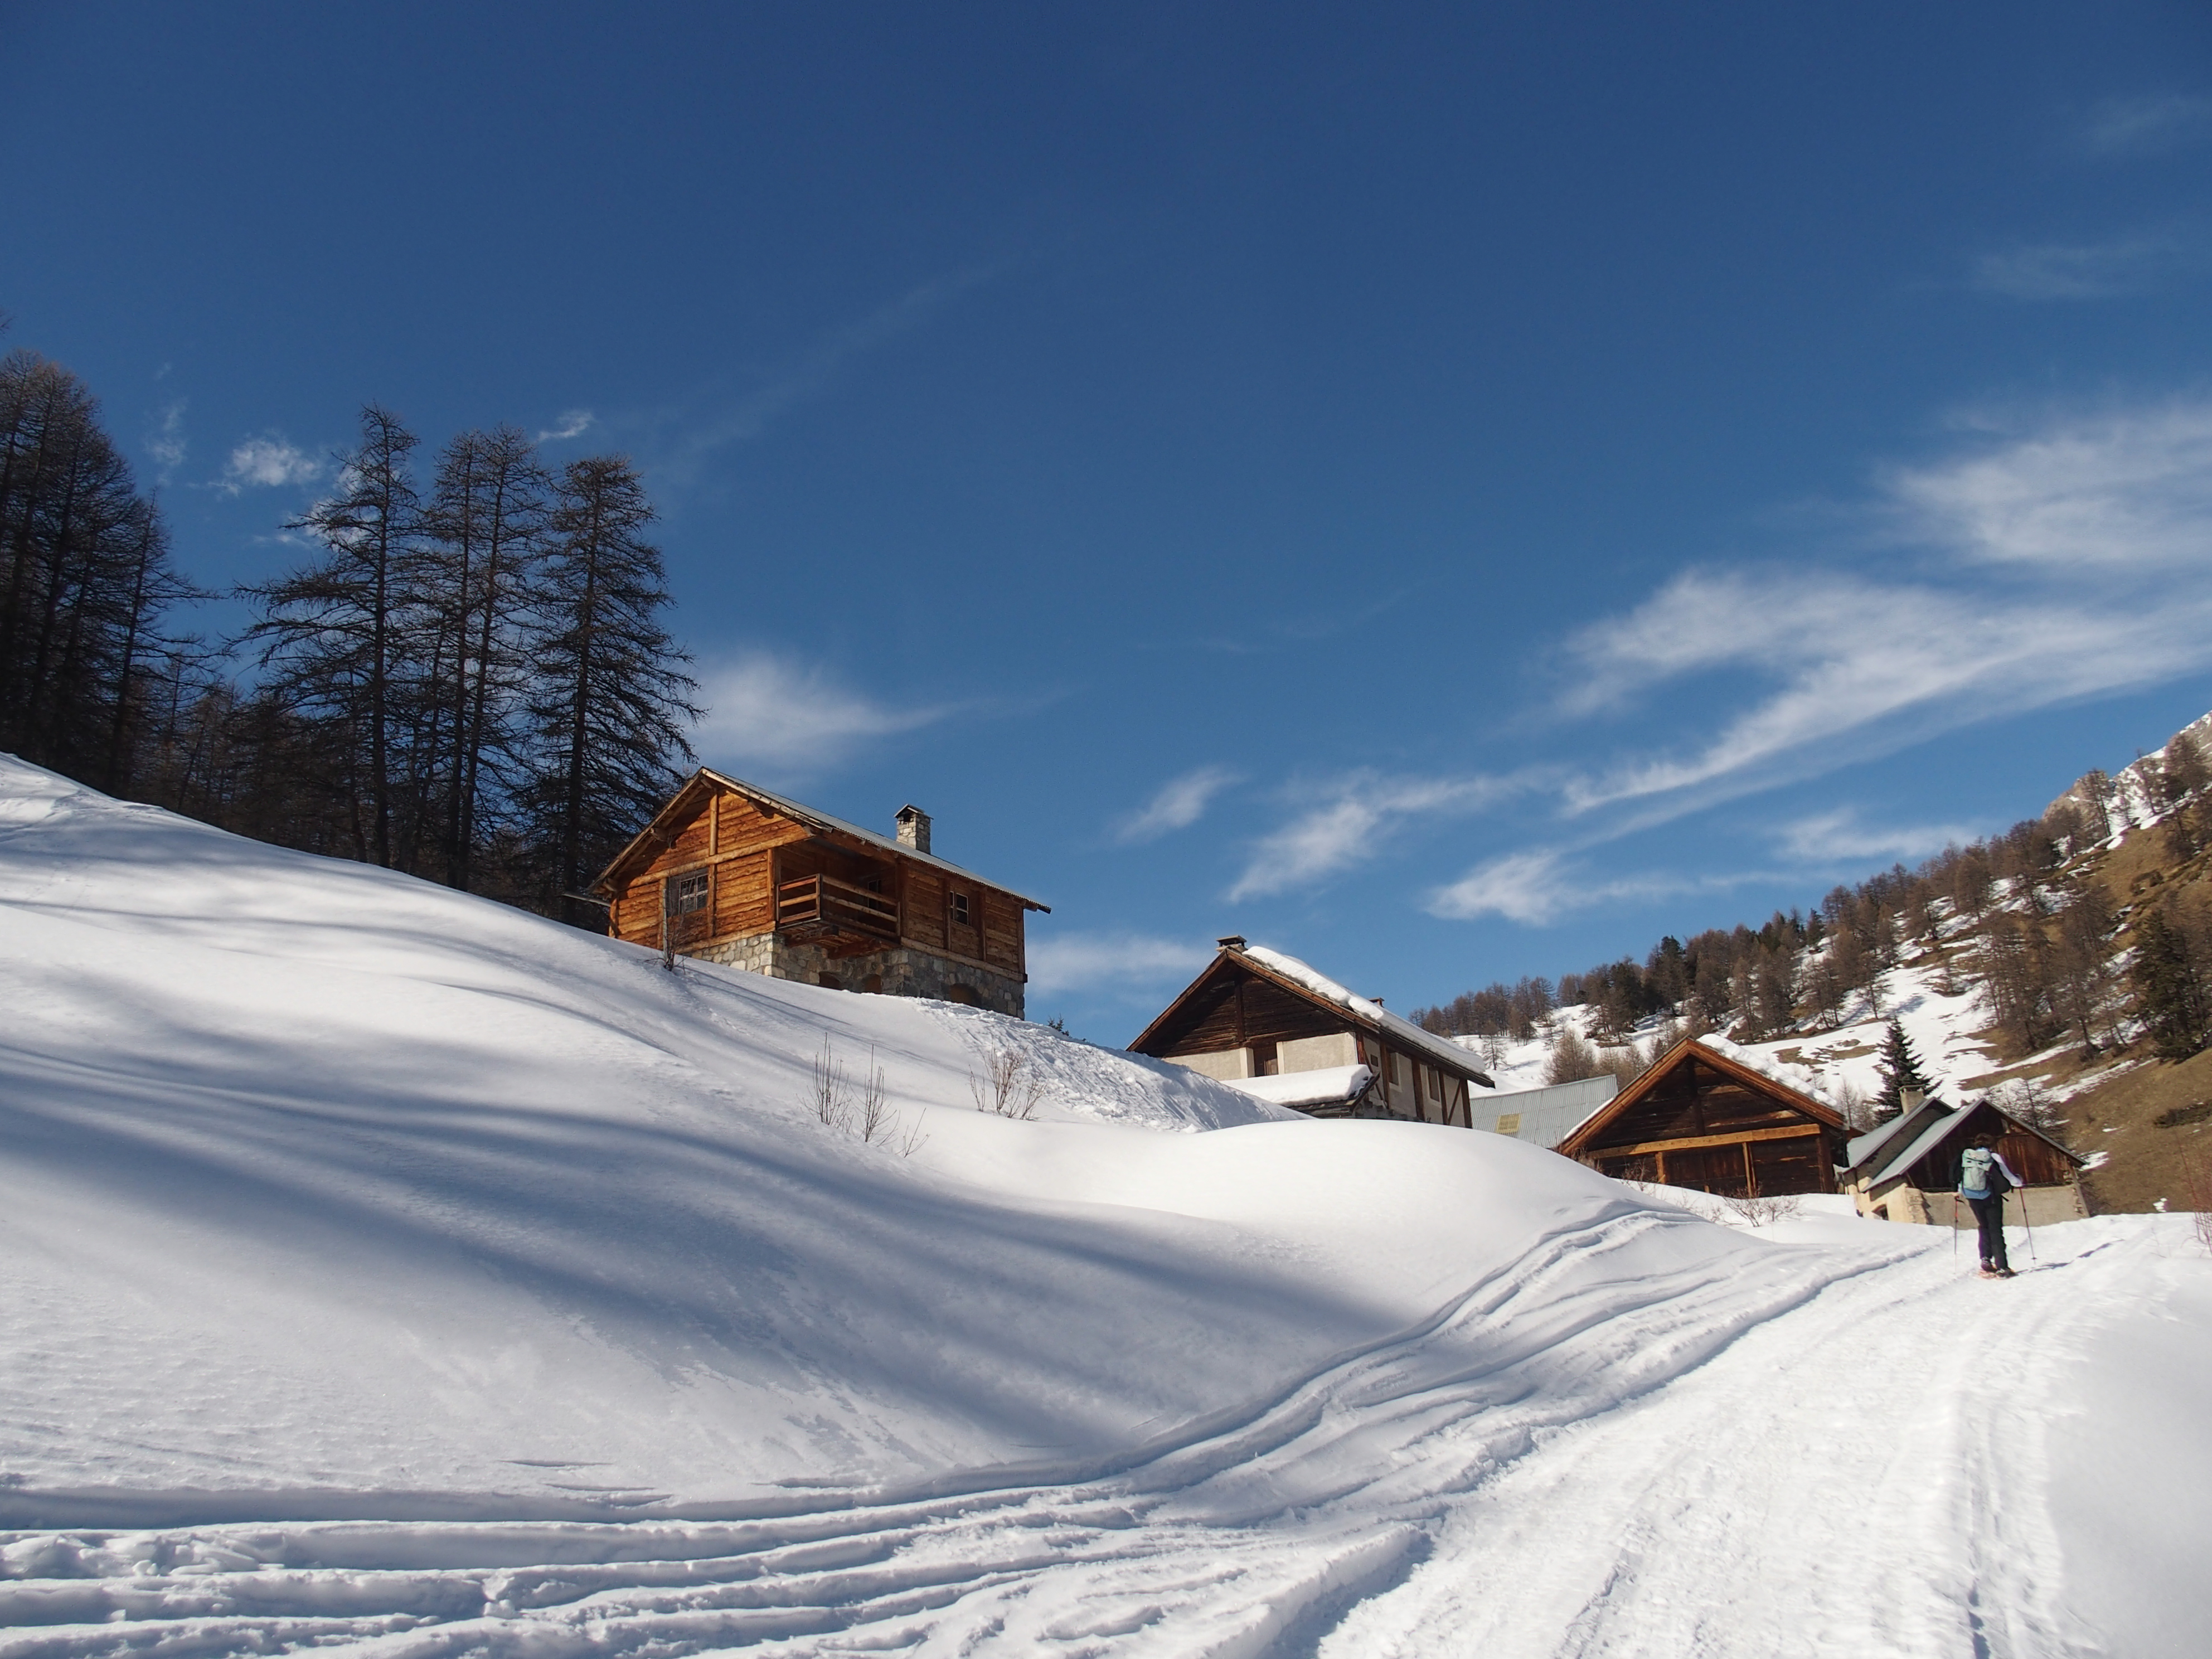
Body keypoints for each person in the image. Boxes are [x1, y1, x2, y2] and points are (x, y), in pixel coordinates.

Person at [1959, 1133, 2024, 1278]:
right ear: (1991, 1145)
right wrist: (2019, 1182)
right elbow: (2008, 1176)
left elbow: (1961, 1177)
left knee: (1984, 1226)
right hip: (1991, 1198)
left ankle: (1986, 1260)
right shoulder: (1993, 1157)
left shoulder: (1968, 1156)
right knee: (1995, 1230)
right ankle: (2002, 1268)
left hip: (1972, 1197)